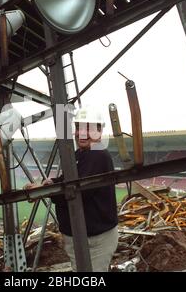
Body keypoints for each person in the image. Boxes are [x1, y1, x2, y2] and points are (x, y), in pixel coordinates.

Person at [24, 107, 118, 272]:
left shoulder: (97, 155)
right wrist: (49, 183)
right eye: (78, 128)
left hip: (94, 239)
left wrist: (44, 191)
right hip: (80, 237)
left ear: (100, 131)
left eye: (88, 128)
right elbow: (67, 178)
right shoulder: (80, 154)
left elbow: (75, 191)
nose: (81, 133)